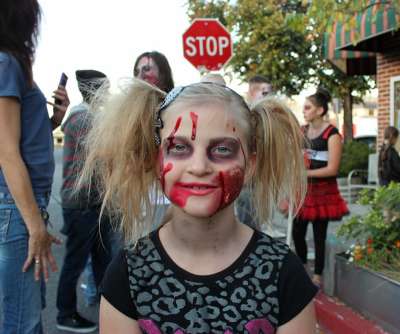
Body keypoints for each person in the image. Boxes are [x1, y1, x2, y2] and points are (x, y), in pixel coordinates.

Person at [78, 81, 318, 333]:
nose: (199, 167)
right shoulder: (128, 275)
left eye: (223, 149)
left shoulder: (283, 274)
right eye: (179, 147)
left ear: (251, 165)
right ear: (156, 160)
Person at [0, 1, 69, 332]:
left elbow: (21, 138)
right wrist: (35, 226)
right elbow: (7, 152)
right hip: (16, 206)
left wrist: (55, 119)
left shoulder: (10, 63)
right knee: (21, 322)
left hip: (19, 206)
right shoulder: (5, 62)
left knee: (25, 313)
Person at [55, 70, 115, 332]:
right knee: (75, 262)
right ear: (96, 91)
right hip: (81, 205)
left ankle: (109, 308)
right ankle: (65, 314)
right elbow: (108, 154)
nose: (110, 95)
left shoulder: (88, 116)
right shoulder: (84, 119)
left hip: (94, 203)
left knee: (103, 261)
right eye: (106, 89)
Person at [292, 88, 349, 286]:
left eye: (307, 108)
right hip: (303, 191)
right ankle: (301, 267)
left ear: (319, 110)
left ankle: (318, 275)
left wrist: (304, 174)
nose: (304, 111)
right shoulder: (302, 131)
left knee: (318, 235)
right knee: (297, 232)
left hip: (324, 192)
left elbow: (332, 169)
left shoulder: (332, 134)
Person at [133, 51, 175, 228]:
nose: (140, 74)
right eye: (136, 71)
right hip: (141, 199)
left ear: (163, 75)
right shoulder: (130, 113)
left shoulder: (176, 106)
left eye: (147, 68)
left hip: (169, 199)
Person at [235, 75, 274, 229]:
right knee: (248, 223)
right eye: (264, 92)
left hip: (261, 179)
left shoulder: (268, 116)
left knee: (257, 223)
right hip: (247, 179)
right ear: (252, 91)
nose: (268, 96)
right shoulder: (243, 114)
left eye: (269, 92)